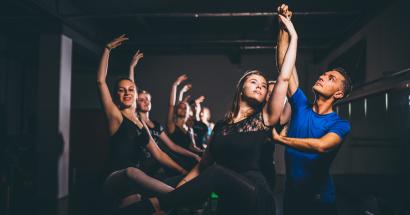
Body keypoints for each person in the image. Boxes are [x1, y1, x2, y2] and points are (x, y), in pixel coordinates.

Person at [119, 13, 298, 215]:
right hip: (229, 202)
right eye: (253, 82)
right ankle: (156, 202)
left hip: (255, 196)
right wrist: (181, 188)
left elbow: (284, 77)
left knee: (216, 175)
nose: (260, 86)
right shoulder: (221, 126)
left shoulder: (264, 118)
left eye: (264, 85)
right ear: (241, 89)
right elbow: (202, 166)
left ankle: (153, 205)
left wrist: (290, 34)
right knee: (203, 176)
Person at [273, 4, 352, 215]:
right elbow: (284, 67)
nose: (322, 77)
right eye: (324, 74)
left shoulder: (340, 124)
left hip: (320, 202)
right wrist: (282, 26)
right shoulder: (301, 105)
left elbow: (321, 146)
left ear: (338, 94)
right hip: (292, 196)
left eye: (331, 78)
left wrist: (283, 140)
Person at [96, 35, 187, 209]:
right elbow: (100, 82)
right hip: (114, 178)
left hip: (132, 187)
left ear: (136, 95)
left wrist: (183, 171)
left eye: (131, 90)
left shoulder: (140, 122)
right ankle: (181, 196)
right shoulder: (115, 116)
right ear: (116, 95)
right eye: (121, 91)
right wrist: (107, 49)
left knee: (145, 207)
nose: (127, 93)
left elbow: (159, 155)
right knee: (132, 172)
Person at [167, 75, 203, 154]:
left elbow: (193, 147)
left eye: (185, 108)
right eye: (180, 107)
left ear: (189, 112)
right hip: (173, 161)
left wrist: (203, 152)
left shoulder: (190, 130)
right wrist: (175, 85)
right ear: (176, 110)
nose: (183, 109)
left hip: (188, 159)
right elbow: (172, 105)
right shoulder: (172, 125)